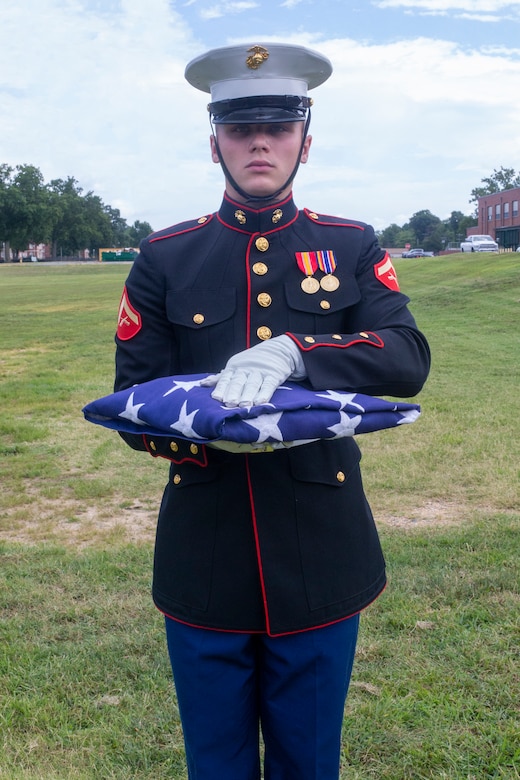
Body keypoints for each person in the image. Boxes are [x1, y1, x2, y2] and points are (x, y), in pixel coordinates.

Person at [113, 42, 430, 780]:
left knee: (309, 761)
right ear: (214, 141)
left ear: (305, 142)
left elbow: (406, 356)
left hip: (321, 546)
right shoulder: (165, 256)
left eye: (279, 127)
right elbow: (134, 399)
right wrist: (212, 431)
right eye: (240, 127)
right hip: (206, 549)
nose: (260, 141)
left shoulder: (348, 244)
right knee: (216, 764)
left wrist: (297, 350)